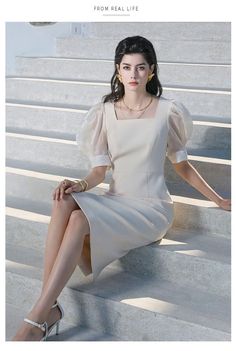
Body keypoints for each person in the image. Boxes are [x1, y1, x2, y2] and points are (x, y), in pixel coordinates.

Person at [12, 35, 231, 341]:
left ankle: (39, 314)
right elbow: (100, 171)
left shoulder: (169, 111)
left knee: (78, 220)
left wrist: (219, 199)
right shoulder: (105, 111)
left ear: (151, 71)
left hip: (151, 208)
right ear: (117, 70)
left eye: (141, 67)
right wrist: (81, 184)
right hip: (116, 198)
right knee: (64, 200)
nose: (133, 74)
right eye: (127, 67)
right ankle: (46, 308)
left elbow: (182, 165)